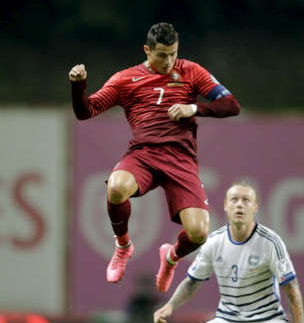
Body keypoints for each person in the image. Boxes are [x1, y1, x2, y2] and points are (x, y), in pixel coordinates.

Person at [68, 23, 240, 292]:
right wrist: (78, 86)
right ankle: (123, 247)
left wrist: (193, 107)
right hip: (144, 155)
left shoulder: (191, 71)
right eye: (162, 55)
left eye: (173, 53)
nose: (169, 61)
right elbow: (85, 111)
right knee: (116, 187)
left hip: (181, 160)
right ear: (147, 50)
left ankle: (170, 257)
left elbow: (231, 105)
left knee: (199, 234)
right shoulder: (125, 79)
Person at [154, 182, 304, 323]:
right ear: (225, 206)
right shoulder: (214, 241)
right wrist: (170, 305)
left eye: (246, 200)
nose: (239, 204)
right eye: (234, 199)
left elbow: (292, 289)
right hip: (227, 322)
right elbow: (192, 282)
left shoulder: (270, 242)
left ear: (255, 207)